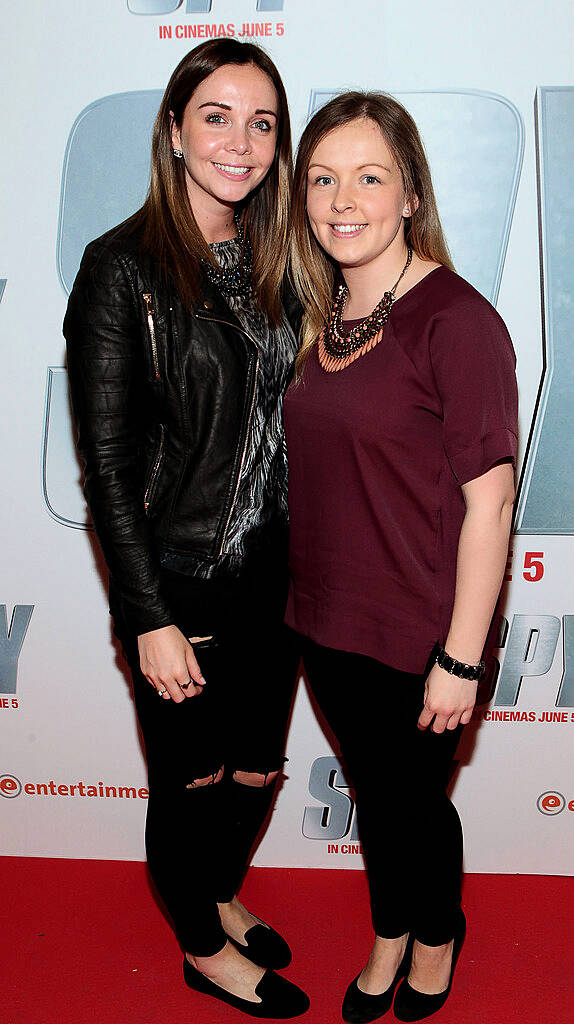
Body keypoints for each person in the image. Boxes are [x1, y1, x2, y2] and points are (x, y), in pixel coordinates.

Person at [64, 38, 309, 1020]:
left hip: (283, 580)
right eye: (216, 115)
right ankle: (203, 945)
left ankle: (216, 890)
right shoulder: (120, 269)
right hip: (181, 583)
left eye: (261, 121)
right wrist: (147, 613)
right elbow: (109, 468)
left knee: (254, 767)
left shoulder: (287, 257)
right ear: (173, 130)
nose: (239, 141)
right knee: (192, 774)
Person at [285, 92, 517, 1023]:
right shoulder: (319, 311)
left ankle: (434, 933)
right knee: (378, 801)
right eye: (324, 178)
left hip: (424, 632)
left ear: (411, 193)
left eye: (369, 176)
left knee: (417, 807)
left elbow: (491, 500)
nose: (345, 198)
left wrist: (461, 658)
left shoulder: (456, 322)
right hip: (327, 621)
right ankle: (389, 929)